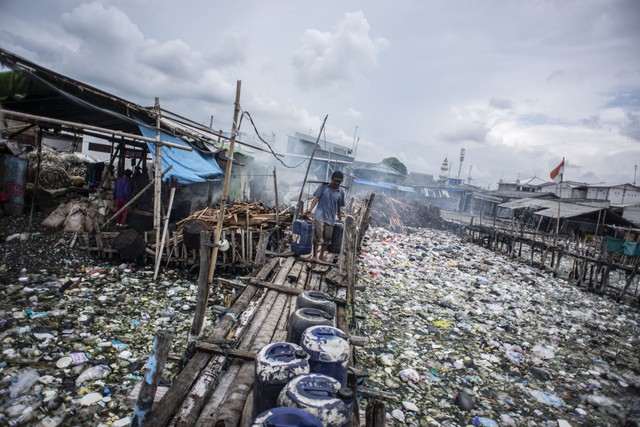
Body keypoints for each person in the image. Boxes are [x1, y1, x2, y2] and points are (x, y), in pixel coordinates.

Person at [305, 170, 345, 261]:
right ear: (331, 179)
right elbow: (316, 198)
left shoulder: (341, 192)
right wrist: (310, 209)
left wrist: (339, 214)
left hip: (330, 217)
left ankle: (321, 255)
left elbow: (339, 205)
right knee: (318, 234)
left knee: (327, 237)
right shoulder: (323, 187)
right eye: (335, 181)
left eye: (339, 182)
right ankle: (315, 255)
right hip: (319, 214)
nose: (337, 183)